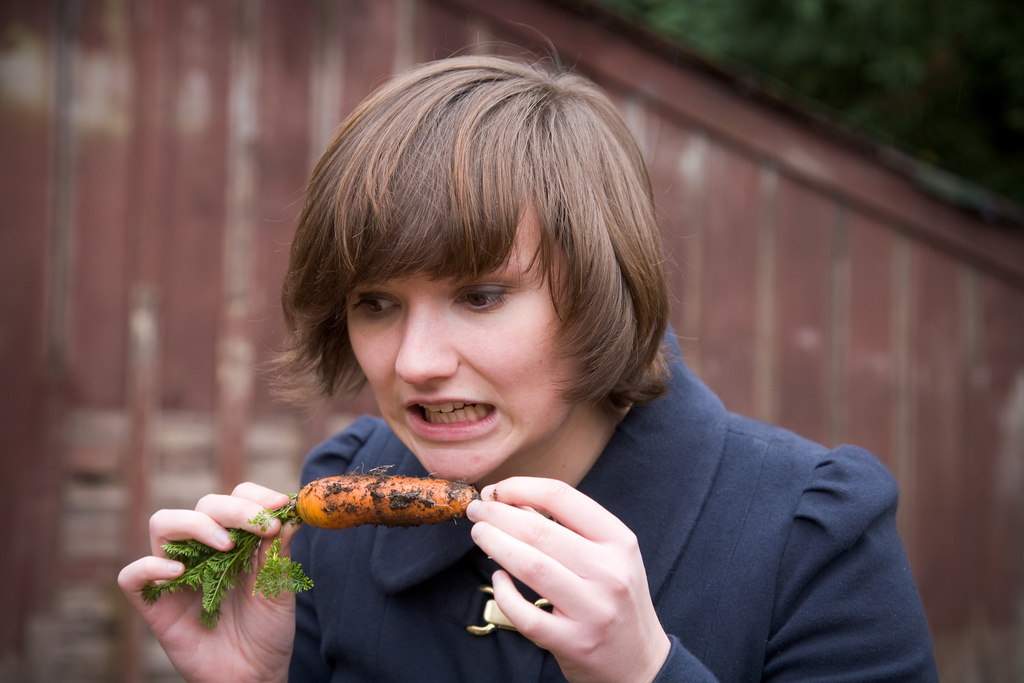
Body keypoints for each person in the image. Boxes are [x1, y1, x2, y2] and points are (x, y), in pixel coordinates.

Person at [118, 55, 938, 682]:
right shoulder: (334, 516)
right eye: (375, 303)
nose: (415, 362)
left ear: (598, 290)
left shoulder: (814, 536)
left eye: (479, 295)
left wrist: (646, 673)